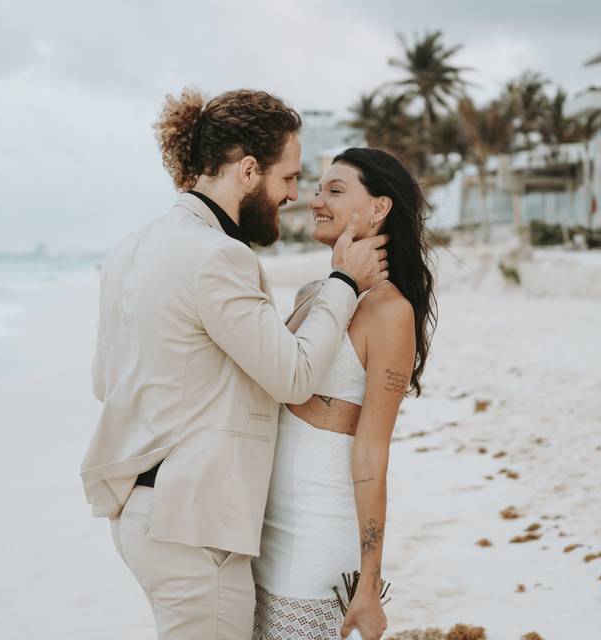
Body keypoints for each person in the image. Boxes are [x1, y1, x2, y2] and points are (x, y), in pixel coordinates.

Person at [80, 88, 389, 640]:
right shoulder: (218, 255)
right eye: (289, 178)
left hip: (138, 514)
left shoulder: (130, 246)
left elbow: (105, 381)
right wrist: (344, 282)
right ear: (249, 170)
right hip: (193, 524)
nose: (295, 195)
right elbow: (294, 375)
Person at [252, 148, 437, 640]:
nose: (316, 200)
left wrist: (370, 582)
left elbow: (372, 453)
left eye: (335, 190)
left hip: (318, 527)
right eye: (316, 189)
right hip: (263, 523)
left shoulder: (390, 311)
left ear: (379, 208)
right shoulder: (315, 293)